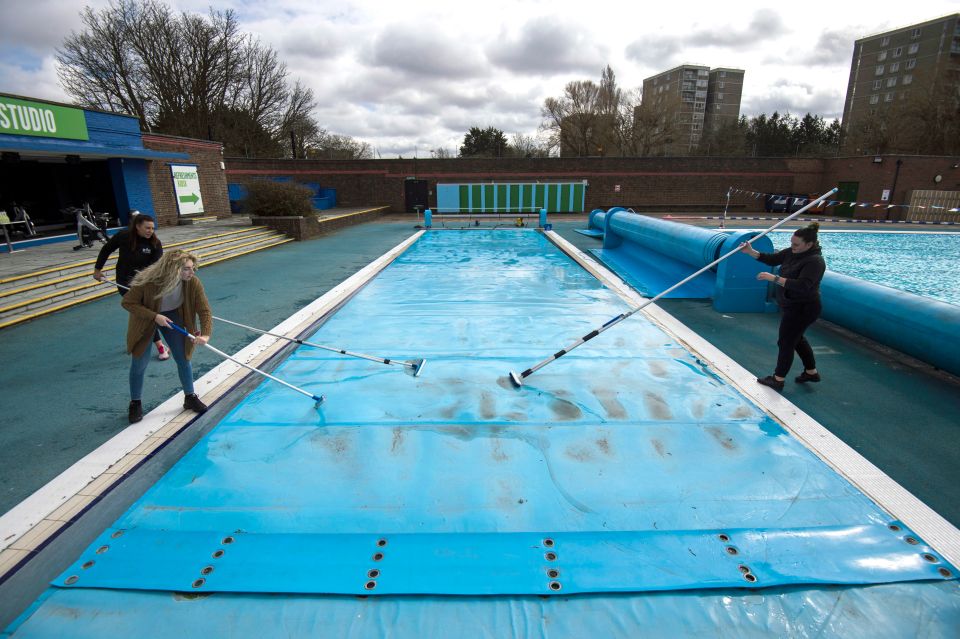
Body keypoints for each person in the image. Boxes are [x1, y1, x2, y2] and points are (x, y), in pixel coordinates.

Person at [122, 250, 212, 423]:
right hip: (147, 318)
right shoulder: (148, 281)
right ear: (172, 269)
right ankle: (135, 402)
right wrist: (155, 317)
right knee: (139, 362)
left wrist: (206, 334)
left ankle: (190, 396)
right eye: (186, 269)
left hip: (172, 315)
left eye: (192, 268)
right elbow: (127, 302)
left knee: (183, 358)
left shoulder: (192, 282)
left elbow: (204, 309)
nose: (192, 272)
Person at [739, 222, 825, 392]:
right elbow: (772, 258)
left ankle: (778, 379)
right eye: (792, 242)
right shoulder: (793, 252)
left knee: (786, 342)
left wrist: (775, 279)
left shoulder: (815, 262)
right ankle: (811, 372)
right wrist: (751, 252)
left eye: (796, 244)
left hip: (804, 308)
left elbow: (803, 286)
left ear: (809, 244)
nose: (792, 246)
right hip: (793, 305)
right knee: (796, 339)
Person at [94, 212, 169, 360]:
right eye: (147, 228)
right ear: (137, 227)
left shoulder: (155, 243)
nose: (150, 231)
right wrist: (98, 269)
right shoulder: (123, 236)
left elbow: (156, 267)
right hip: (123, 281)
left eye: (152, 228)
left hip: (143, 283)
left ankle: (143, 341)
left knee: (140, 311)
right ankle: (160, 346)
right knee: (141, 310)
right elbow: (106, 249)